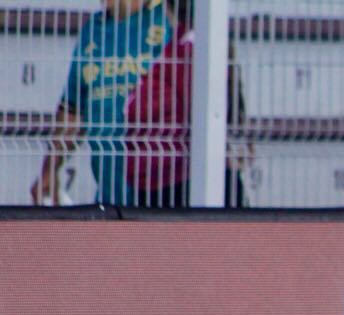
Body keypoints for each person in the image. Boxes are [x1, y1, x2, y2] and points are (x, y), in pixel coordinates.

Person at [30, 0, 173, 206]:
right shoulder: (93, 30)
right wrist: (50, 169)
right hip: (111, 197)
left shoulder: (167, 19)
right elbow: (73, 110)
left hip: (162, 197)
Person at [122, 0, 250, 207]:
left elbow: (201, 109)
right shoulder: (184, 46)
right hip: (168, 173)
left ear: (168, 7)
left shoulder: (189, 48)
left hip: (175, 175)